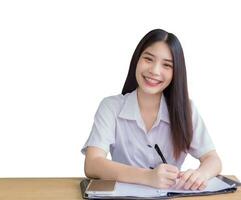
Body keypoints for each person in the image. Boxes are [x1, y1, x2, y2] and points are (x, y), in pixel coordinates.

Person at [81, 29, 222, 190]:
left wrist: (200, 174)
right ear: (137, 60)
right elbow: (92, 164)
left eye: (167, 65)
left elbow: (213, 159)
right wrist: (147, 177)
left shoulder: (186, 109)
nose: (154, 71)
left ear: (176, 72)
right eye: (148, 59)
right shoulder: (111, 107)